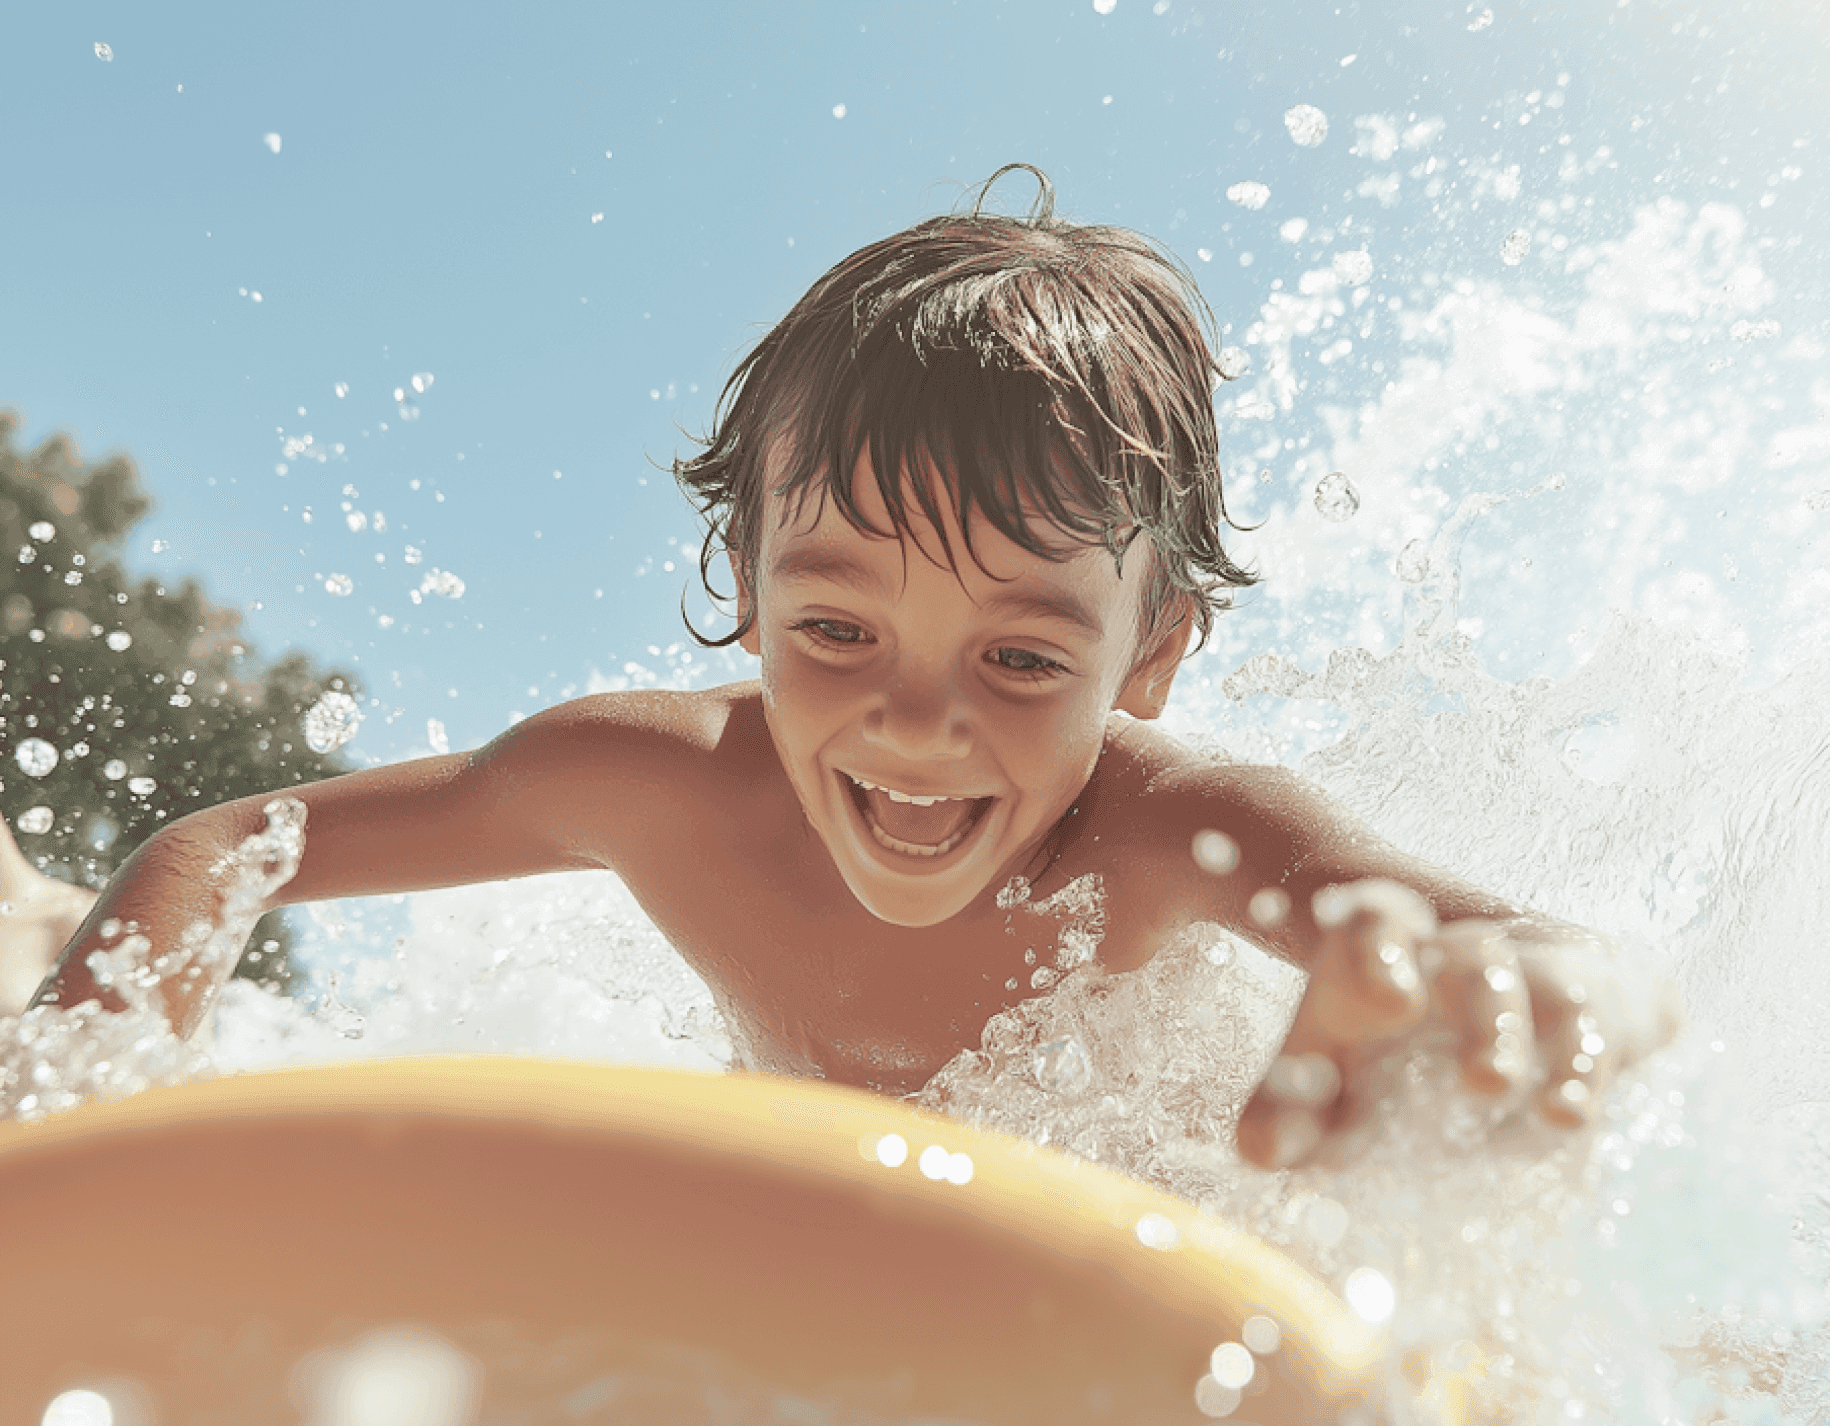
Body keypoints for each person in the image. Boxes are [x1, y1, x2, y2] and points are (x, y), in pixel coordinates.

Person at [28, 167, 1678, 1169]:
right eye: (836, 628)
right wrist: (69, 1117)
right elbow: (227, 847)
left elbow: (1508, 946)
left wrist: (1534, 993)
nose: (914, 720)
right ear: (742, 590)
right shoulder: (647, 783)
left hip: (1167, 1222)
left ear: (1150, 654)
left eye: (1025, 655)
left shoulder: (1173, 833)